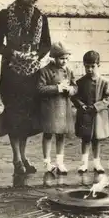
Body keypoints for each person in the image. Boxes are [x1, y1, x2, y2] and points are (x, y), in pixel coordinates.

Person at [0, 0, 51, 175]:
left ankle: (23, 156)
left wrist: (36, 55)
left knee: (27, 115)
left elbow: (46, 44)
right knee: (14, 113)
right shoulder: (6, 15)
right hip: (11, 71)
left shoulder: (41, 17)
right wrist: (12, 53)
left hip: (32, 72)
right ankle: (16, 158)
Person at [37, 42, 77, 174]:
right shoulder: (44, 71)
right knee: (48, 134)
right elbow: (40, 89)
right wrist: (57, 88)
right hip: (50, 108)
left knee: (61, 135)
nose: (64, 61)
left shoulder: (69, 71)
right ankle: (47, 162)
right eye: (61, 58)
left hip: (64, 107)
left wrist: (71, 89)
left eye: (66, 58)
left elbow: (75, 87)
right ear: (53, 57)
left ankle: (60, 162)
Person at [71, 50, 109, 174]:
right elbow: (75, 96)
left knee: (96, 139)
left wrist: (97, 106)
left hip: (98, 115)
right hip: (85, 115)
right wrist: (81, 105)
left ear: (98, 65)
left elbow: (108, 97)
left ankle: (97, 163)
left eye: (92, 66)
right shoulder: (80, 82)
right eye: (87, 66)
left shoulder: (104, 82)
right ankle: (84, 163)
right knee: (85, 138)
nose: (89, 69)